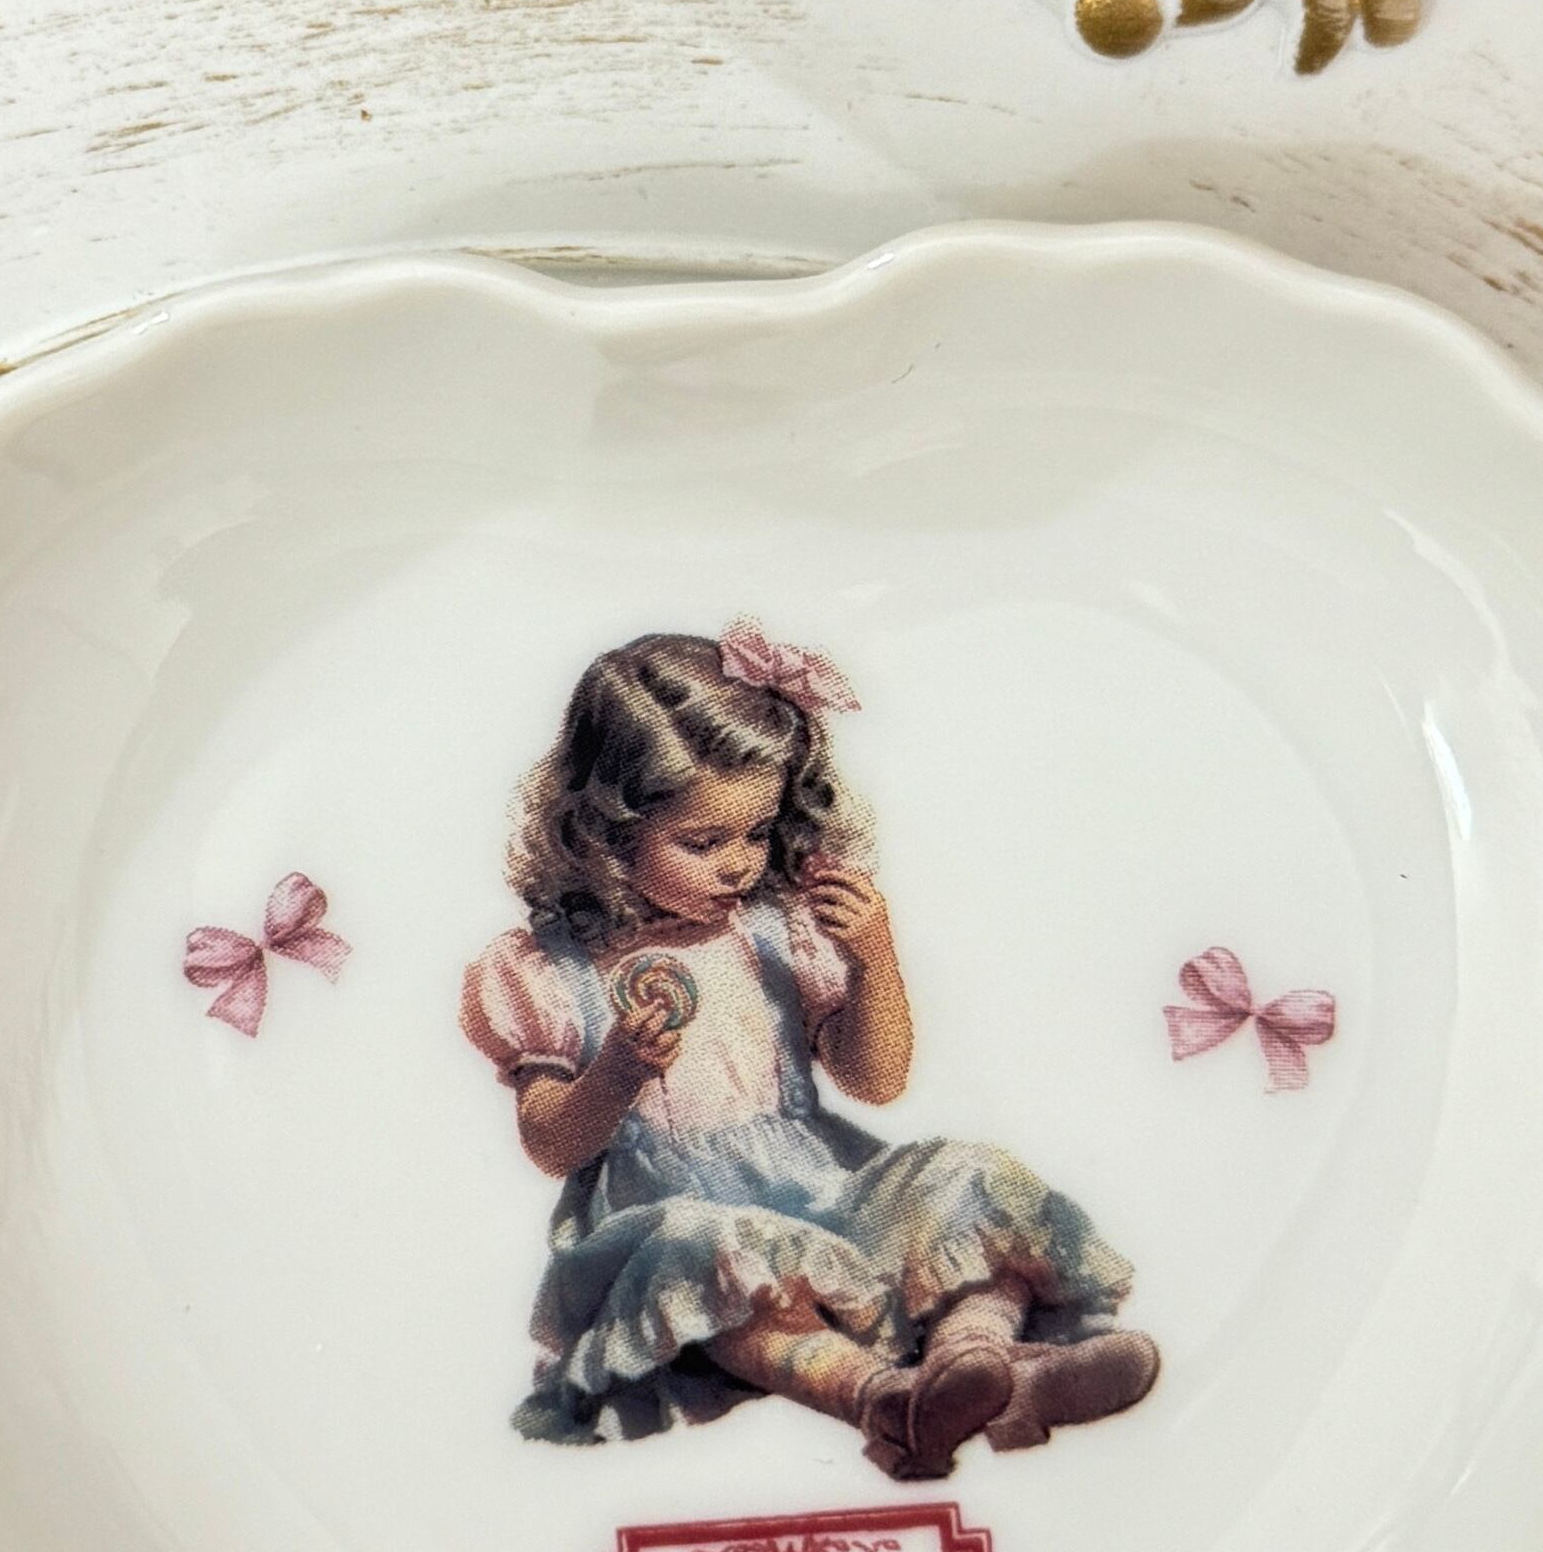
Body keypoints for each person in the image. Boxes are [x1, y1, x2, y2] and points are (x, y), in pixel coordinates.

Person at [460, 626, 1157, 1475]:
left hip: (827, 1194)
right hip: (670, 1223)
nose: (739, 865)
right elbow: (549, 1144)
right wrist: (618, 1071)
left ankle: (984, 1362)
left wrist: (873, 961)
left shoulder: (774, 932)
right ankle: (882, 1399)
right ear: (607, 832)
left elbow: (877, 1079)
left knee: (966, 1175)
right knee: (712, 1252)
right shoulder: (549, 970)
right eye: (702, 842)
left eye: (756, 833)